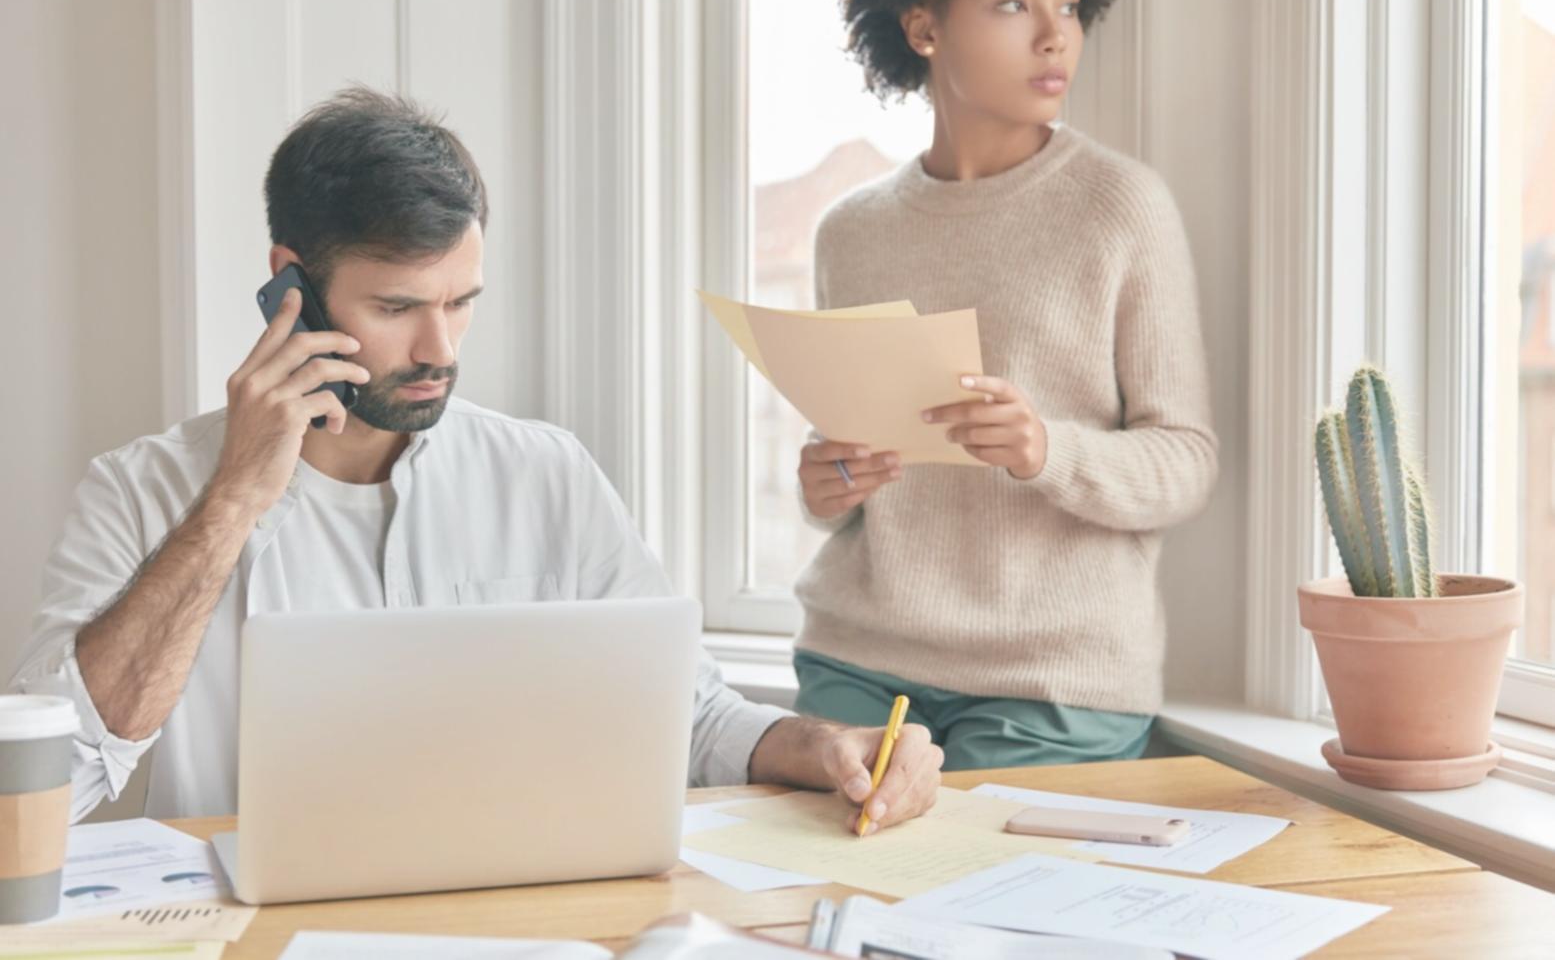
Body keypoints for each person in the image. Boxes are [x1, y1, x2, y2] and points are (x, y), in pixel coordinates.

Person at [10, 87, 942, 830]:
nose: (440, 348)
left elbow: (685, 717)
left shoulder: (546, 474)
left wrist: (824, 746)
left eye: (460, 302)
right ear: (288, 281)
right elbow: (58, 783)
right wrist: (229, 507)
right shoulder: (139, 491)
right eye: (398, 306)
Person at [792, 0, 1218, 770]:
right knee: (822, 885)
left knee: (978, 894)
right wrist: (825, 481)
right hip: (859, 659)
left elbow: (1186, 460)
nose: (1054, 34)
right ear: (923, 26)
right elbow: (849, 468)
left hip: (1053, 680)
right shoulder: (851, 232)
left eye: (1067, 3)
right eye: (1013, 2)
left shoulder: (1119, 207)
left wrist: (1044, 450)